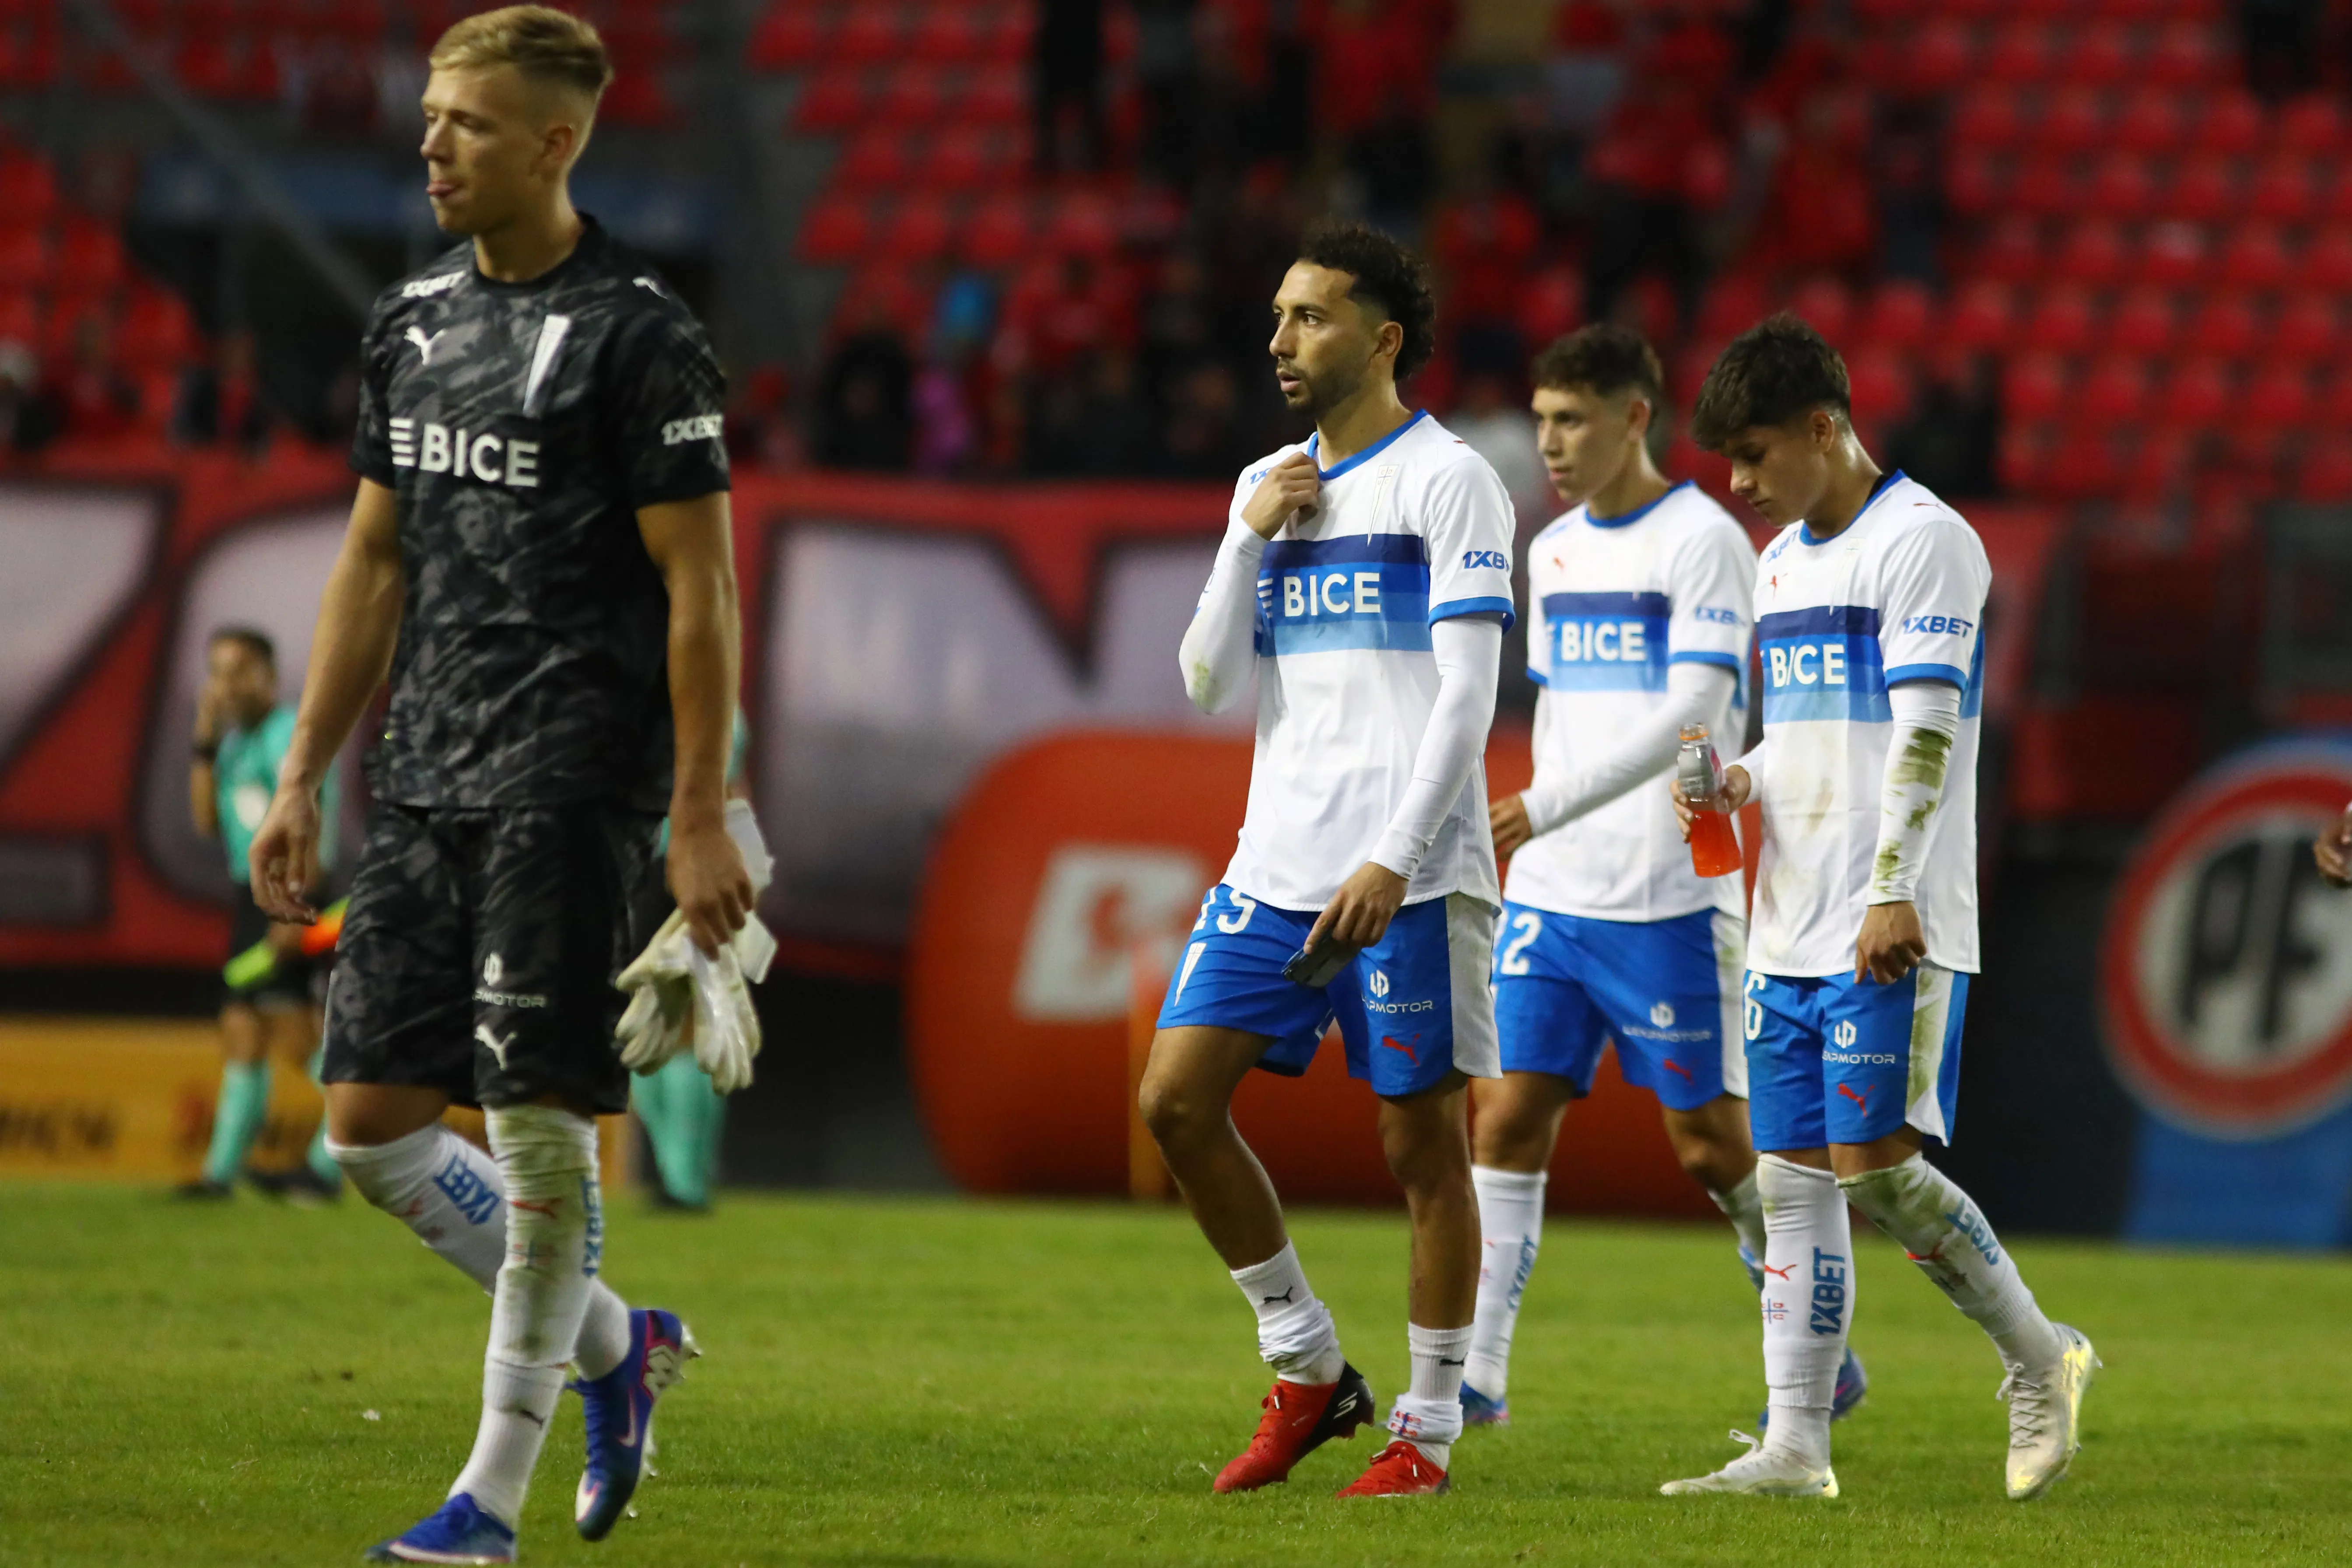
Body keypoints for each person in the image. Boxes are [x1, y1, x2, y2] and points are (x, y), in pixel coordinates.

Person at [244, 10, 752, 1562]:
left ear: (556, 141)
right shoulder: (408, 321)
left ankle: (488, 1501)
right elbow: (371, 558)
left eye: (468, 121)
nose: (431, 144)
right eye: (430, 117)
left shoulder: (642, 334)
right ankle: (617, 1347)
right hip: (423, 774)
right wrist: (301, 773)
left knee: (538, 1130)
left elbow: (701, 590)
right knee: (370, 1127)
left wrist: (695, 805)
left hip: (575, 779)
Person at [1660, 315, 2094, 1501]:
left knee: (1879, 1166)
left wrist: (1891, 888)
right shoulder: (1780, 562)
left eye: (1753, 456)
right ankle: (1794, 1445)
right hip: (1788, 913)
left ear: (1821, 425)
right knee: (1791, 1176)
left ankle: (2037, 1355)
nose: (1739, 486)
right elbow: (1802, 732)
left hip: (1884, 914)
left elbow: (1925, 729)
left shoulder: (1925, 541)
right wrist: (1730, 777)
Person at [1142, 221, 1516, 1500]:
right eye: (1278, 317)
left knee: (1420, 1153)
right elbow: (1202, 683)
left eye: (1308, 317)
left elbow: (1468, 697)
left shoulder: (1449, 480)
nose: (1279, 341)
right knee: (1174, 1103)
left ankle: (1425, 1433)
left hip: (1408, 876)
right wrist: (1247, 537)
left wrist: (1395, 860)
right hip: (1277, 861)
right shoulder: (1270, 483)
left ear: (1383, 336)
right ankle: (1306, 1364)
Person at [1458, 324, 1867, 1433]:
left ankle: (1812, 1342)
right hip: (1551, 891)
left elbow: (1694, 712)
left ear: (1634, 417)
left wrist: (1541, 804)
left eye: (1572, 419)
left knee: (1708, 1144)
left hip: (1665, 894)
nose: (1549, 442)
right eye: (1540, 419)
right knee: (1501, 1119)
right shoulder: (1548, 552)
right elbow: (1564, 712)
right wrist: (1541, 828)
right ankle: (1477, 1373)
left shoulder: (1703, 541)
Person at [179, 625, 343, 1203]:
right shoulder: (232, 745)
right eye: (216, 670)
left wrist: (293, 908)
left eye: (239, 669)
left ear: (268, 677)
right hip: (250, 898)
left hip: (287, 899)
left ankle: (331, 1160)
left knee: (296, 1038)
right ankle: (220, 1174)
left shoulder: (286, 737)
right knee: (243, 1031)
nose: (226, 683)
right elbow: (205, 823)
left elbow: (311, 824)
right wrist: (203, 736)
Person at [630, 704, 750, 1212]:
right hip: (711, 864)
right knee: (694, 1020)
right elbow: (737, 793)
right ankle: (688, 1172)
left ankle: (679, 1177)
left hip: (657, 859)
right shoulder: (728, 707)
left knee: (654, 1025)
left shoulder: (645, 692)